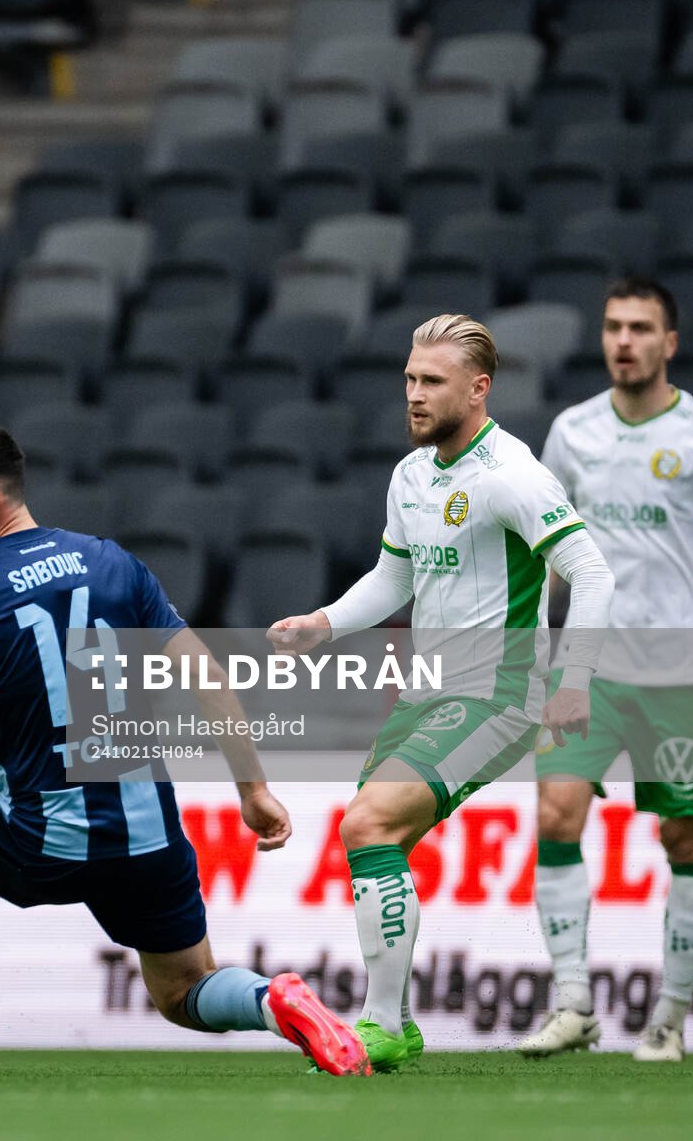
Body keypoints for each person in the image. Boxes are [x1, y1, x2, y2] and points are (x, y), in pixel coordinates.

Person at [0, 424, 371, 1077]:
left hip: (46, 838)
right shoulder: (113, 562)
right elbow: (204, 672)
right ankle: (275, 1000)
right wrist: (252, 790)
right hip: (149, 834)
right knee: (183, 992)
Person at [266, 313, 616, 1072]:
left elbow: (591, 573)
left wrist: (576, 681)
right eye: (409, 381)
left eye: (431, 382)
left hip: (500, 694)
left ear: (479, 389)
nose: (415, 396)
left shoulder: (513, 474)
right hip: (426, 692)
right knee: (372, 837)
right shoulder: (412, 473)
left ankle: (382, 1024)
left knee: (367, 820)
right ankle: (393, 1024)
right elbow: (395, 577)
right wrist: (323, 625)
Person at [517, 279, 693, 1064]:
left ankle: (667, 1016)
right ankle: (573, 1002)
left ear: (670, 342)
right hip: (587, 668)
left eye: (640, 329)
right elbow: (551, 557)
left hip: (678, 674)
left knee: (683, 832)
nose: (622, 341)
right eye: (612, 327)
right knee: (556, 814)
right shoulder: (571, 432)